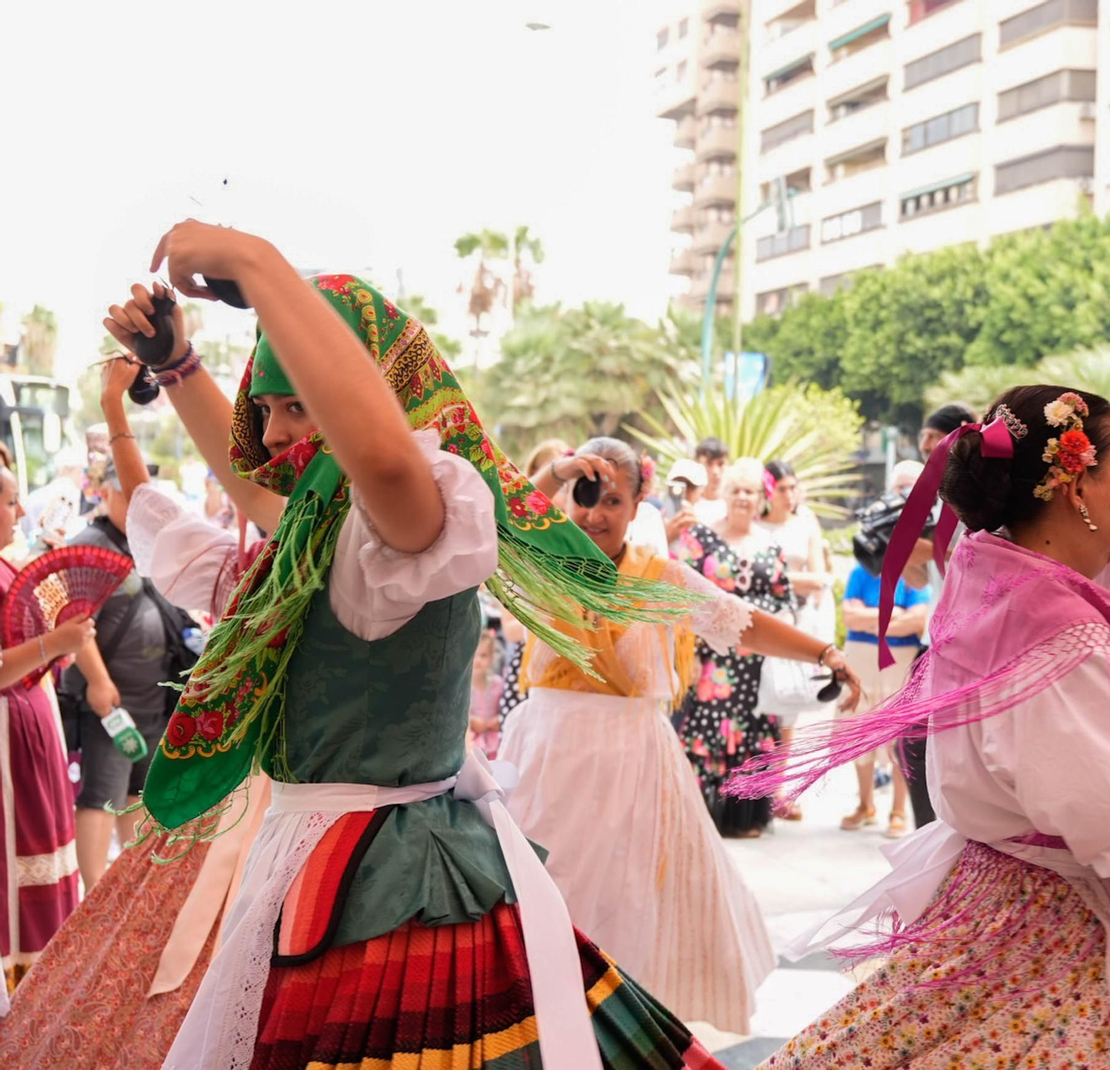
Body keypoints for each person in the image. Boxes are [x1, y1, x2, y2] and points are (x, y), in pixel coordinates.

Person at [107, 223, 718, 1069]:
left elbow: (388, 463)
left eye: (299, 406)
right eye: (268, 409)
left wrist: (260, 264)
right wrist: (178, 367)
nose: (274, 434)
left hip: (387, 885)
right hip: (327, 858)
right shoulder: (323, 527)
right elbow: (255, 489)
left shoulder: (406, 518)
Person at [729, 258, 1110, 1069]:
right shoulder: (1064, 642)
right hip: (1065, 934)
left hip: (996, 900)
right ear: (1072, 489)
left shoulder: (991, 565)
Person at [503, 437, 859, 1034]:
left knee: (625, 901)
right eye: (584, 496)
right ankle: (544, 1030)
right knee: (543, 898)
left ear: (638, 505)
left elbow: (741, 623)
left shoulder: (659, 577)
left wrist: (824, 651)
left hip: (632, 759)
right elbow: (504, 519)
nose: (594, 514)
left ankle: (611, 1035)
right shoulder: (543, 556)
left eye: (612, 500)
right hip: (546, 753)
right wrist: (557, 471)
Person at [0, 352, 272, 1068]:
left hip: (194, 737)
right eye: (269, 416)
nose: (18, 511)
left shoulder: (266, 551)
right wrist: (86, 671)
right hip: (113, 713)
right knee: (102, 799)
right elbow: (79, 615)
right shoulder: (104, 543)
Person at [62, 452, 191, 889]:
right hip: (110, 700)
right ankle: (94, 894)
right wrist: (98, 681)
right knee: (102, 795)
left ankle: (131, 893)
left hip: (154, 697)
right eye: (128, 494)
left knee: (139, 794)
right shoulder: (88, 545)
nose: (138, 505)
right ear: (107, 492)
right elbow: (72, 619)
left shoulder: (149, 543)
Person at [0, 466, 94, 998]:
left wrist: (62, 632)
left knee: (42, 847)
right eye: (10, 501)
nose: (20, 512)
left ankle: (37, 984)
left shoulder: (9, 564)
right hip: (7, 739)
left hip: (31, 727)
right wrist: (53, 643)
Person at [675, 457, 796, 838]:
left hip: (757, 663)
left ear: (761, 498)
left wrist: (770, 619)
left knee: (754, 731)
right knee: (709, 728)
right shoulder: (701, 539)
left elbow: (785, 597)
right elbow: (681, 594)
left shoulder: (772, 545)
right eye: (736, 490)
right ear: (725, 494)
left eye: (750, 491)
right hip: (712, 656)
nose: (743, 497)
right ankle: (704, 816)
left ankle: (746, 818)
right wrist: (690, 650)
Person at [896, 402, 978, 831]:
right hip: (934, 644)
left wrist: (926, 546)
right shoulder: (930, 499)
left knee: (945, 749)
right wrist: (898, 548)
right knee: (911, 743)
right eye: (924, 440)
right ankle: (926, 835)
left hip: (970, 646)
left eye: (934, 438)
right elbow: (917, 577)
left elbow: (969, 559)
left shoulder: (978, 496)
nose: (926, 447)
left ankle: (945, 836)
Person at [758, 458, 834, 822]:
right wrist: (791, 581)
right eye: (782, 488)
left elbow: (819, 577)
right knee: (759, 704)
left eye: (793, 487)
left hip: (798, 621)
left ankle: (777, 789)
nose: (789, 495)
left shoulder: (805, 522)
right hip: (761, 620)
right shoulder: (755, 524)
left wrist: (778, 580)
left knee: (788, 706)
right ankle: (754, 786)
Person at [838, 559, 928, 835]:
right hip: (861, 660)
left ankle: (898, 810)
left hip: (900, 662)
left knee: (899, 733)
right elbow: (849, 618)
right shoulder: (860, 571)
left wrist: (869, 617)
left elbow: (918, 621)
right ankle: (865, 804)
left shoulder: (914, 571)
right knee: (858, 732)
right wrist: (895, 615)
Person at [466, 625, 503, 758]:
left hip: (495, 740)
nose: (478, 660)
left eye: (483, 655)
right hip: (472, 740)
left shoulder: (498, 683)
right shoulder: (464, 686)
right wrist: (471, 721)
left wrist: (498, 719)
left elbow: (504, 709)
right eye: (474, 654)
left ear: (492, 657)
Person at [691, 436, 730, 525]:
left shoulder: (735, 504)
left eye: (720, 464)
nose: (715, 471)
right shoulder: (689, 505)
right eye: (709, 464)